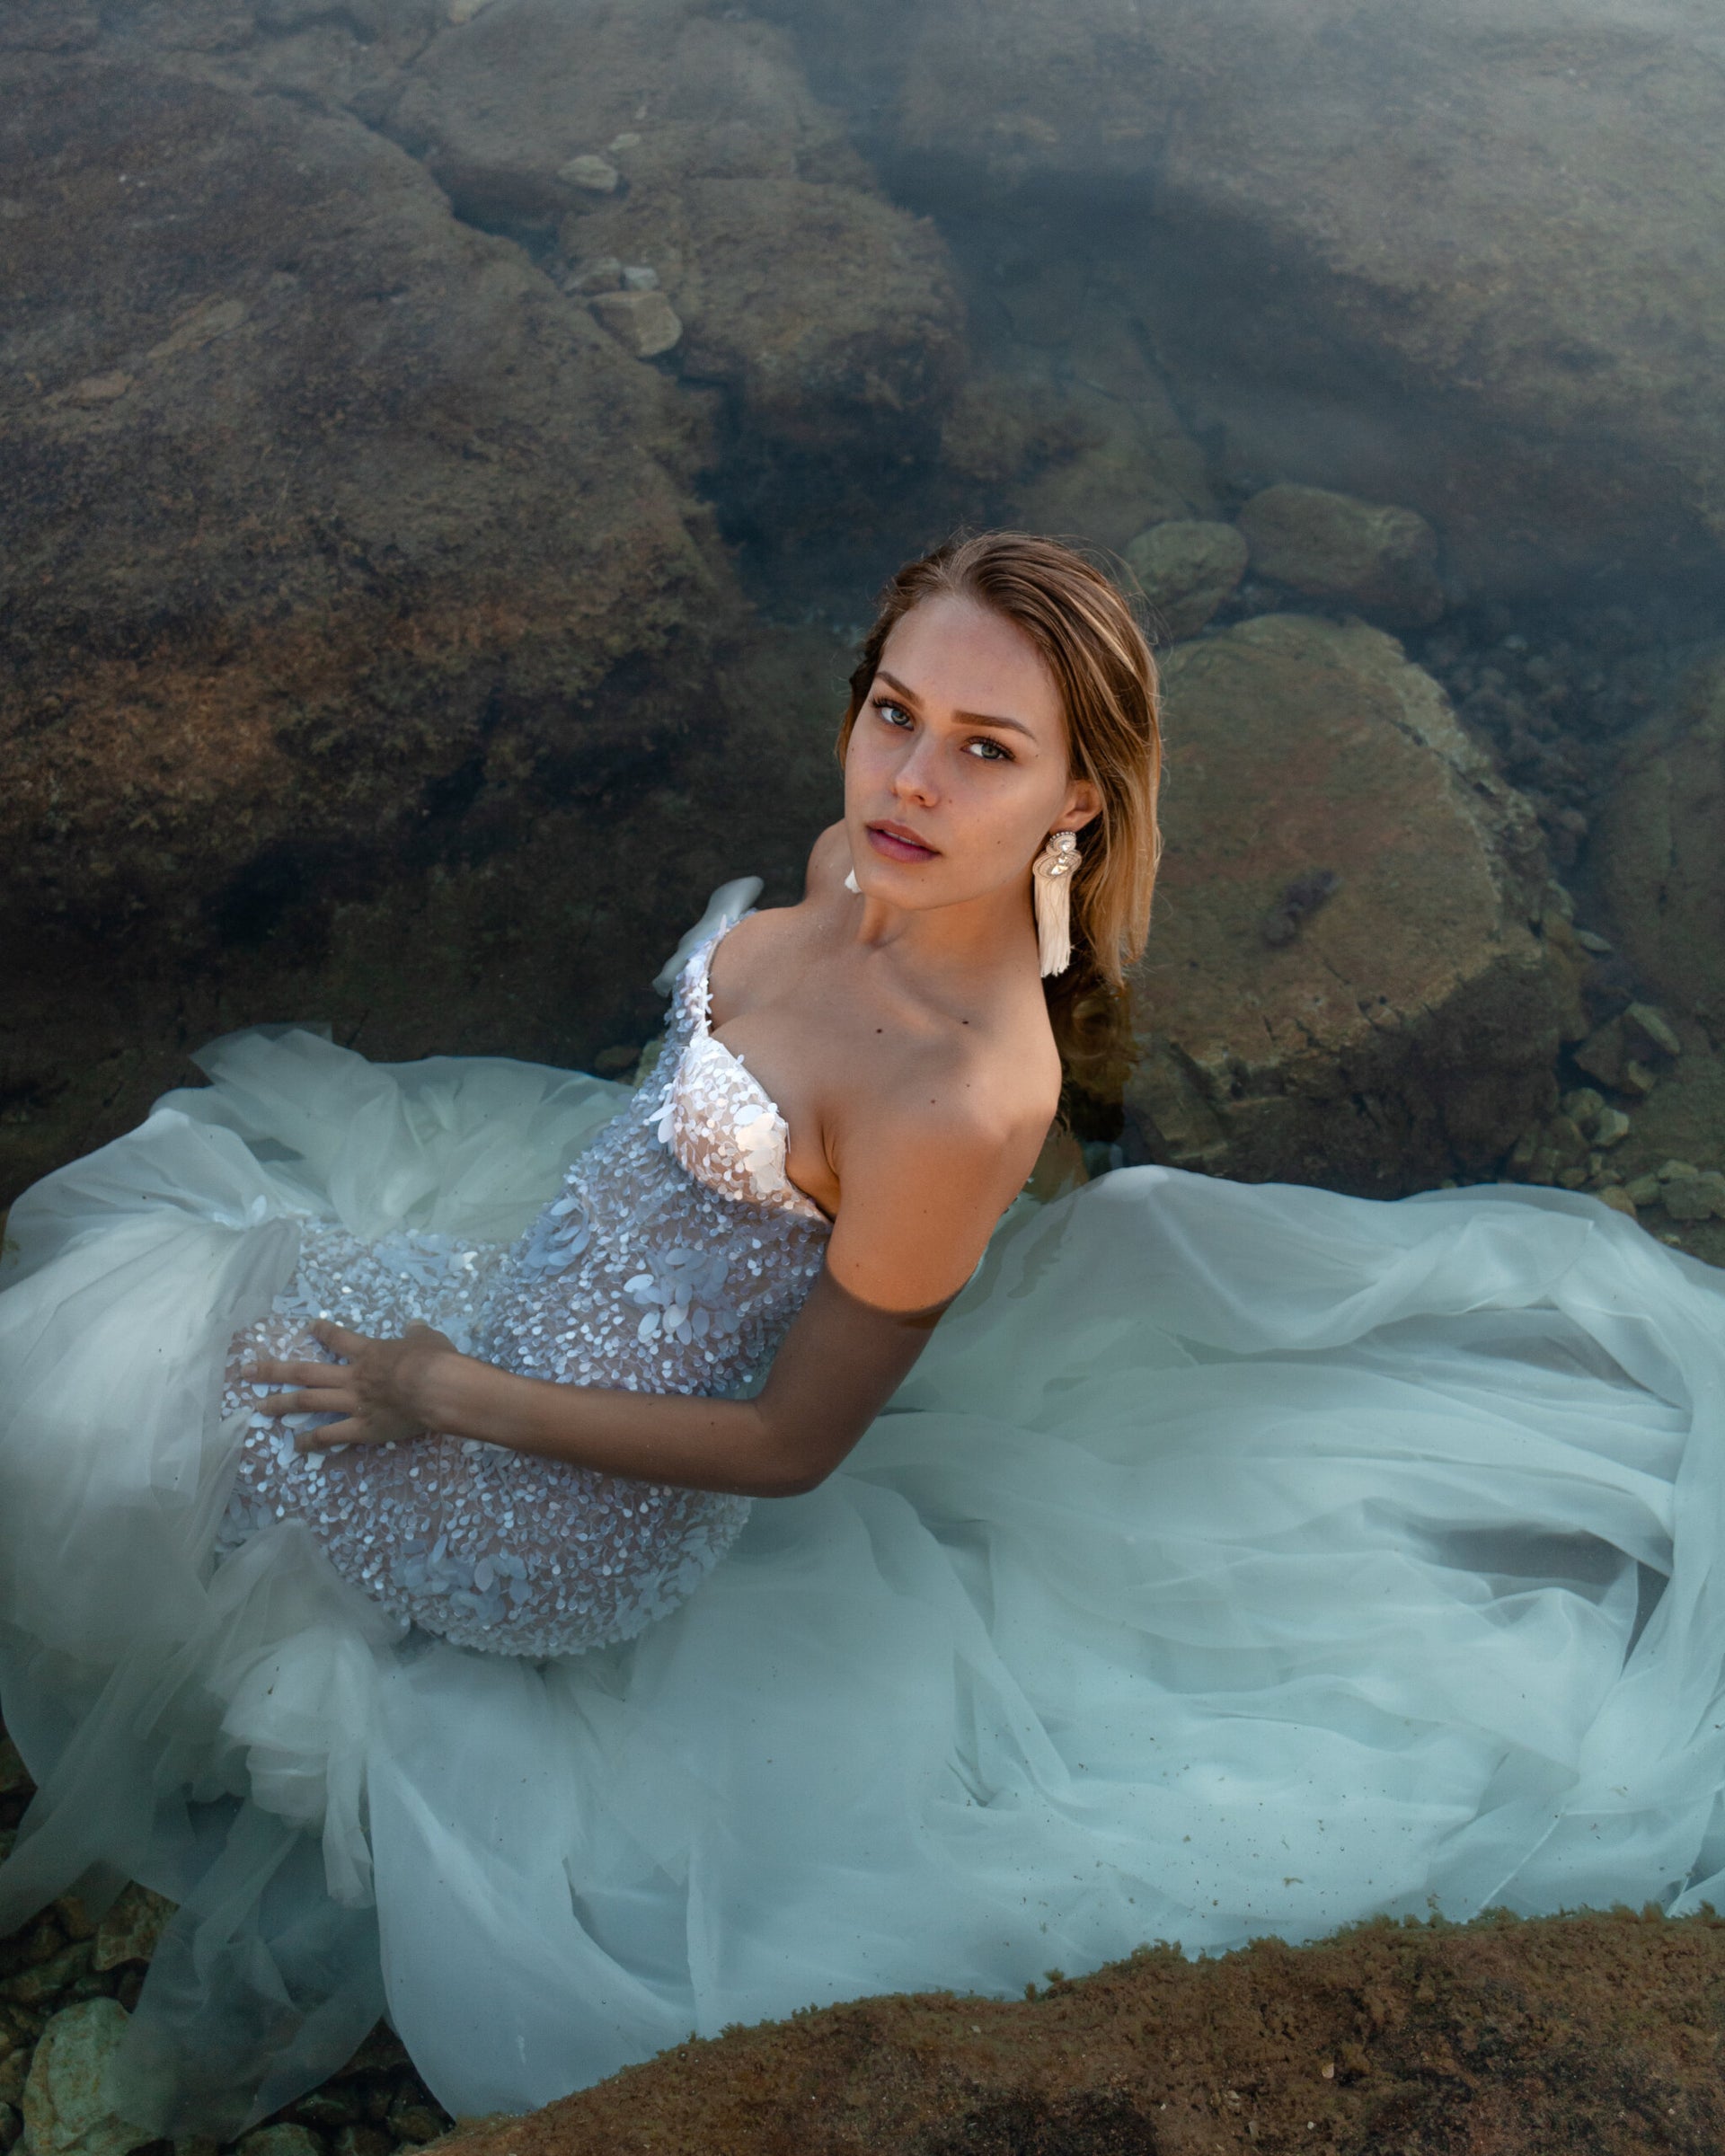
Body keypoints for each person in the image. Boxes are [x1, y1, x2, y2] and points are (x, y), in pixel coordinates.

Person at [2, 534, 1722, 2140]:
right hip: (545, 1314)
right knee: (160, 1317)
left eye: (987, 748)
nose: (909, 780)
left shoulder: (963, 1096)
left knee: (124, 1359)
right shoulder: (851, 865)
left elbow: (788, 1448)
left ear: (1076, 800)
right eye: (896, 713)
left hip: (558, 1505)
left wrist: (446, 1389)